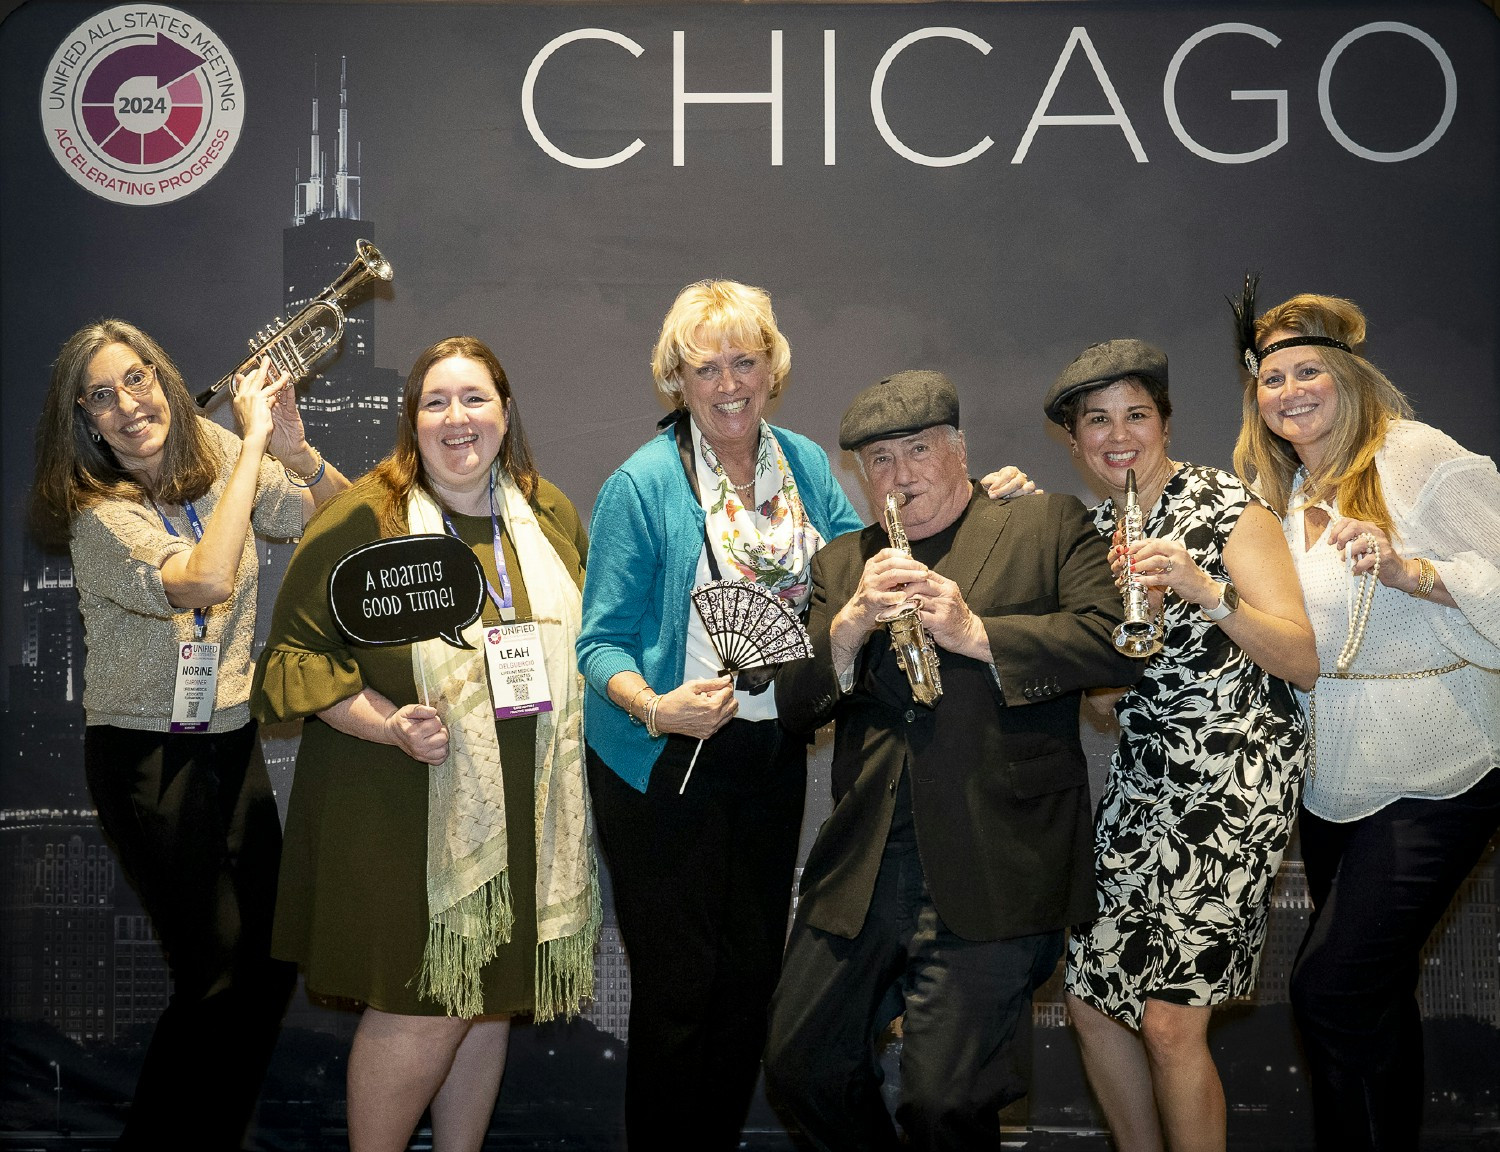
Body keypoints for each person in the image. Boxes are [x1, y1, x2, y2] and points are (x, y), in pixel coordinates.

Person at [764, 369, 1142, 1151]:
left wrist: (977, 632)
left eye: (918, 451)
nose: (900, 476)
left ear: (959, 451)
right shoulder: (841, 566)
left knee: (944, 1104)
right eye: (879, 462)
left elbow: (1116, 642)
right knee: (800, 1065)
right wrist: (849, 627)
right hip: (866, 866)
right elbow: (797, 707)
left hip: (996, 856)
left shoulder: (1044, 522)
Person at [252, 337, 598, 1152]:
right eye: (436, 401)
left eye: (474, 398)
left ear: (506, 413)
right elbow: (293, 663)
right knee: (421, 1007)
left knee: (484, 1003)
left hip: (519, 808)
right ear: (412, 419)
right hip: (398, 802)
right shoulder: (364, 516)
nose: (457, 417)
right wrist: (387, 724)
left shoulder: (545, 512)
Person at [28, 319, 350, 1149]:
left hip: (228, 737)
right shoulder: (103, 518)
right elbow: (205, 576)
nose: (128, 404)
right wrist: (248, 448)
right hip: (149, 757)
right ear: (85, 422)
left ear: (163, 378)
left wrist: (295, 447)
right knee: (211, 978)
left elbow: (341, 520)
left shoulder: (212, 449)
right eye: (101, 396)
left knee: (268, 964)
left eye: (137, 379)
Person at [575, 279, 865, 1149]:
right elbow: (599, 646)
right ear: (678, 378)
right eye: (708, 367)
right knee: (677, 994)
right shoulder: (644, 483)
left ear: (773, 367)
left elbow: (864, 563)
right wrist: (657, 708)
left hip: (767, 752)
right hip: (660, 761)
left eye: (747, 360)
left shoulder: (805, 465)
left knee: (748, 984)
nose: (730, 382)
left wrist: (979, 504)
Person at [1231, 287, 1500, 1151]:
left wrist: (1411, 570)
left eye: (1308, 370)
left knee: (1330, 991)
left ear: (1349, 375)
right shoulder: (1283, 490)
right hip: (1336, 771)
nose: (1290, 391)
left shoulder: (1417, 457)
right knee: (1373, 1001)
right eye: (1271, 379)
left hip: (1441, 758)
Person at [1037, 339, 1317, 1152]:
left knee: (1167, 1024)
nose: (1117, 435)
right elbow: (1103, 700)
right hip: (1144, 780)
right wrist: (1135, 641)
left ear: (1163, 421)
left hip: (1234, 779)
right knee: (1089, 1000)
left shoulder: (1225, 503)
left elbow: (1302, 659)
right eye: (1097, 420)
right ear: (1074, 437)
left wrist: (1203, 588)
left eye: (1136, 414)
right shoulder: (1088, 535)